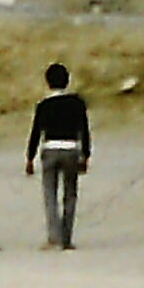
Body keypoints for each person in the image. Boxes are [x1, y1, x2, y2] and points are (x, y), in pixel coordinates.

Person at [24, 62, 90, 249]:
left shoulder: (43, 106)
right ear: (68, 81)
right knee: (70, 194)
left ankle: (54, 237)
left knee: (50, 195)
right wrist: (86, 154)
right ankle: (67, 238)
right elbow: (84, 129)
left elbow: (36, 133)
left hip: (50, 149)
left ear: (47, 82)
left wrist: (30, 158)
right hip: (71, 149)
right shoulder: (77, 104)